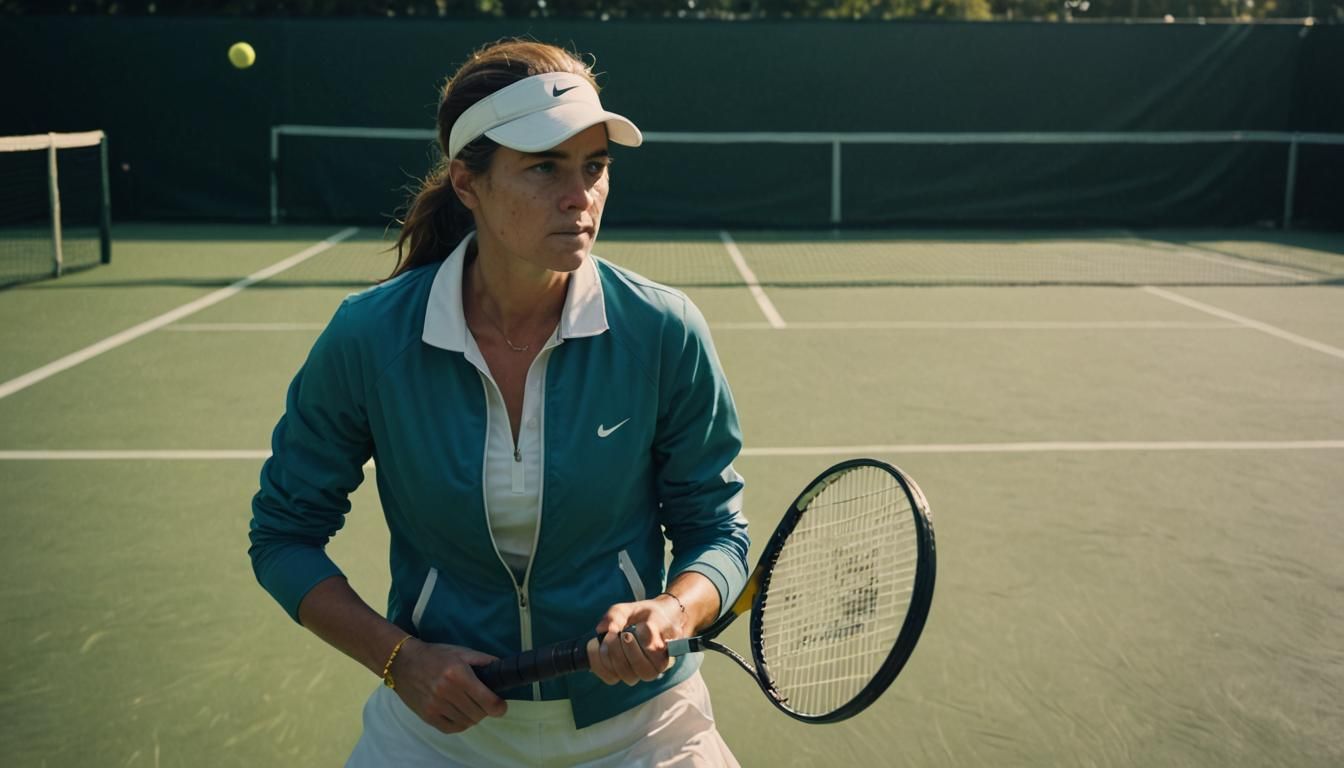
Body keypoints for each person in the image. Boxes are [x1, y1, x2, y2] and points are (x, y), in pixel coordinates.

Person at [248, 38, 749, 767]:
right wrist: (400, 659)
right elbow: (283, 535)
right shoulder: (370, 337)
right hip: (436, 734)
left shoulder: (663, 331)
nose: (579, 194)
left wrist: (672, 611)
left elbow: (718, 529)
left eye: (594, 167)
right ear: (465, 182)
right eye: (544, 166)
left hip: (644, 728)